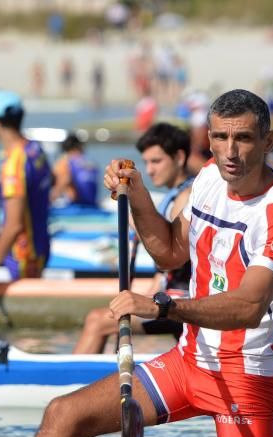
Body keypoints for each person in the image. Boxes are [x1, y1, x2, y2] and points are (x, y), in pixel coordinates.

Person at [4, 90, 273, 437]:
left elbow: (249, 307)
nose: (230, 152)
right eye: (220, 138)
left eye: (244, 139)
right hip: (189, 362)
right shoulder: (208, 179)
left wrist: (162, 307)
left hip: (243, 373)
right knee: (63, 415)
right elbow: (169, 251)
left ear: (268, 142)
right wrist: (136, 195)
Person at [73, 122, 194, 354]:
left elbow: (167, 253)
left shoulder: (187, 195)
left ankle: (71, 384)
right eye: (146, 162)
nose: (149, 170)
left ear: (179, 157)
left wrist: (127, 207)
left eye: (156, 161)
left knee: (97, 321)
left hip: (184, 301)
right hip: (170, 293)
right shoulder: (174, 193)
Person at [0, 90, 52, 289]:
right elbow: (49, 181)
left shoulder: (14, 164)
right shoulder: (35, 149)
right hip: (41, 245)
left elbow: (13, 225)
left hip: (23, 255)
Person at [50, 135, 100, 208]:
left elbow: (65, 180)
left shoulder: (63, 163)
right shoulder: (90, 163)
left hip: (74, 206)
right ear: (80, 146)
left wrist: (49, 200)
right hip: (92, 206)